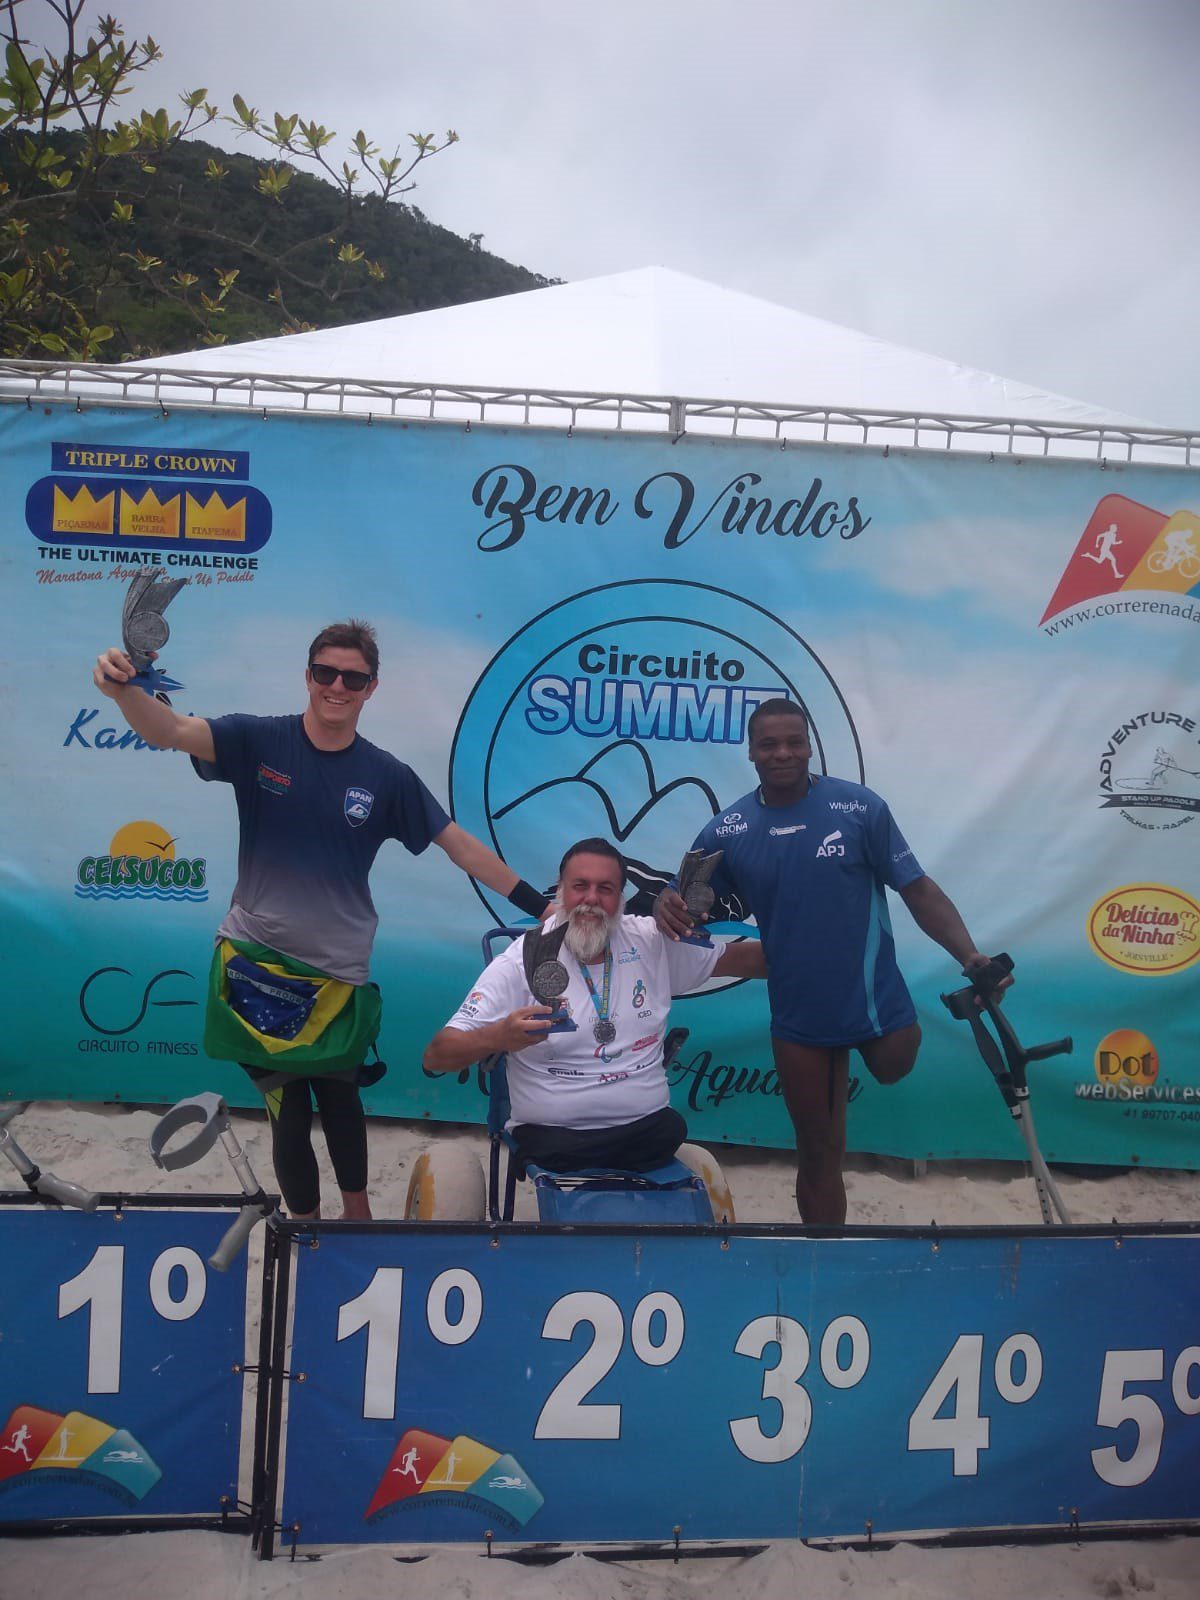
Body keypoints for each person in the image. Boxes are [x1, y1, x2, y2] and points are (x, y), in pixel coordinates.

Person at [93, 619, 550, 1221]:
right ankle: (306, 1232)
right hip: (255, 966)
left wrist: (541, 907)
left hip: (338, 976)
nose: (338, 686)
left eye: (353, 678)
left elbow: (459, 845)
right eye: (326, 673)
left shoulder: (387, 776)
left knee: (341, 1099)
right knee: (287, 1110)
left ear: (371, 688)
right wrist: (124, 690)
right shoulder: (257, 740)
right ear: (307, 677)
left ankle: (357, 1219)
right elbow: (170, 730)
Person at [654, 698, 1007, 1226]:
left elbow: (917, 889)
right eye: (768, 744)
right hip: (799, 1011)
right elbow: (684, 897)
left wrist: (970, 955)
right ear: (750, 752)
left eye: (793, 742)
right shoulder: (729, 829)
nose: (782, 753)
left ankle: (845, 1060)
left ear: (809, 746)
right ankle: (824, 1252)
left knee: (891, 1066)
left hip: (871, 996)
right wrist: (665, 899)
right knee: (818, 1149)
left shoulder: (860, 809)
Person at [423, 837, 767, 1172]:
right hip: (554, 1139)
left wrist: (797, 945)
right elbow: (437, 1055)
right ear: (561, 891)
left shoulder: (649, 940)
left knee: (671, 1132)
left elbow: (743, 960)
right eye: (580, 886)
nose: (591, 899)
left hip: (647, 1134)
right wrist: (497, 1037)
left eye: (606, 889)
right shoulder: (522, 958)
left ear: (621, 898)